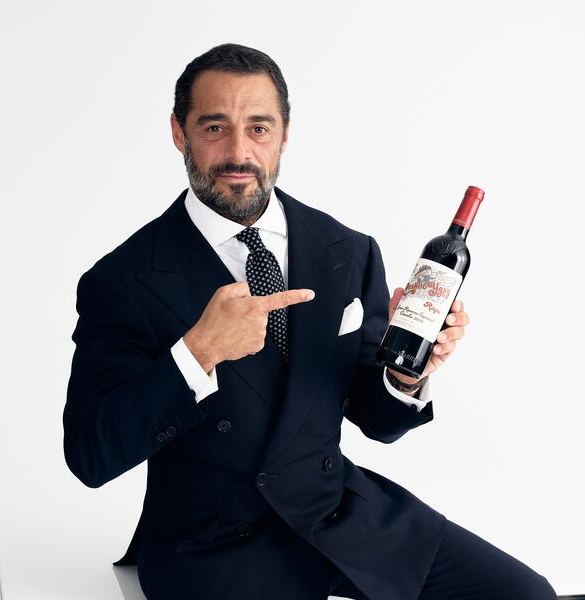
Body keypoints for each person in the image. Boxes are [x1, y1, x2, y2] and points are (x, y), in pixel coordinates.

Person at [63, 42, 557, 600]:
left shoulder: (346, 249)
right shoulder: (123, 280)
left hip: (338, 512)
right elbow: (90, 456)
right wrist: (197, 353)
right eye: (215, 127)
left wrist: (406, 374)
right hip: (213, 545)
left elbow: (377, 421)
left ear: (285, 135)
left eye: (259, 128)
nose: (239, 152)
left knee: (527, 595)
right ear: (179, 132)